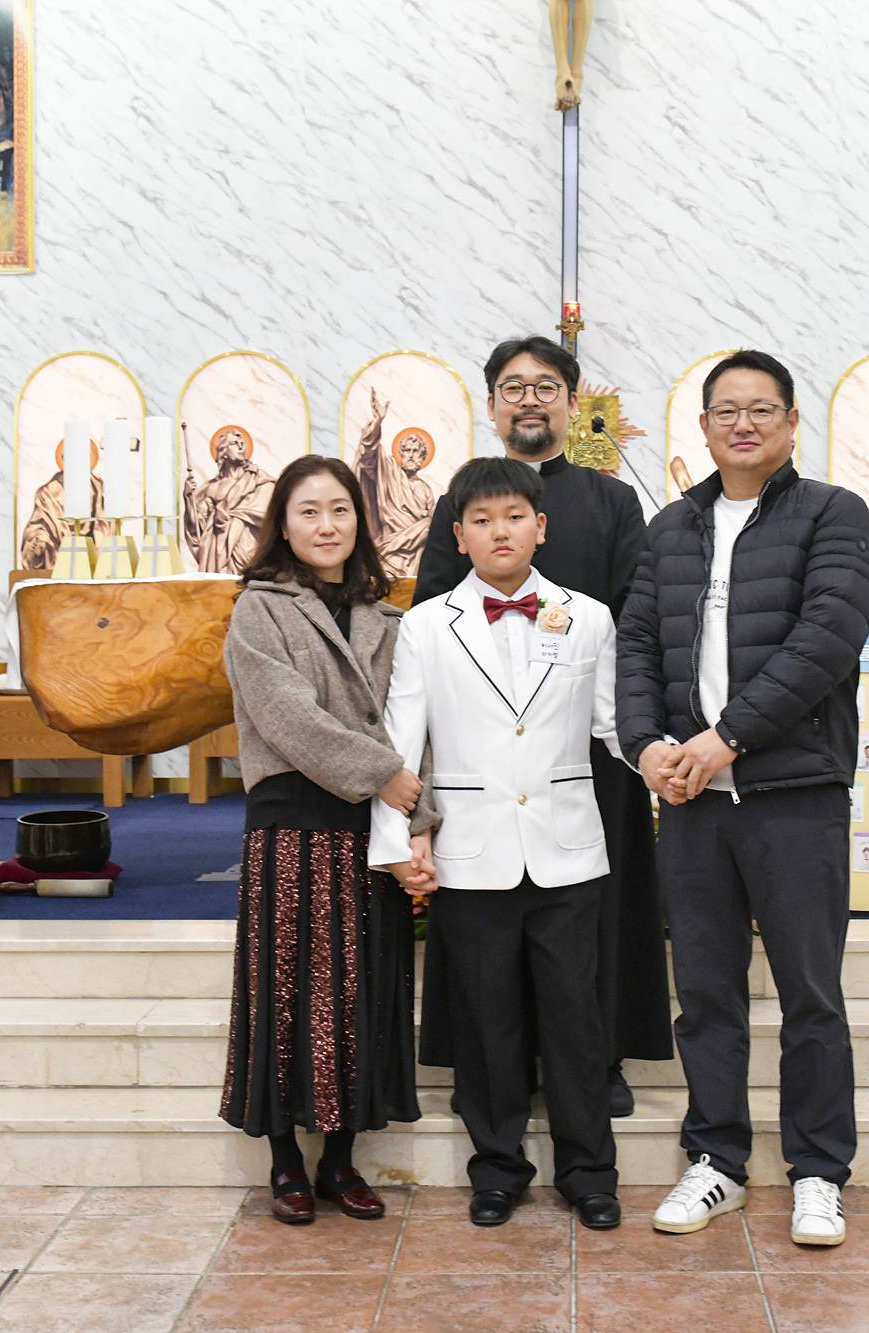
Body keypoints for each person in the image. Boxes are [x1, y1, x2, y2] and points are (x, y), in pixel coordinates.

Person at [617, 349, 869, 1248]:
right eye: (725, 410)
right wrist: (646, 745)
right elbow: (637, 644)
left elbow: (826, 639)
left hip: (793, 790)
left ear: (792, 422)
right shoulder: (671, 527)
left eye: (761, 408)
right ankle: (716, 1158)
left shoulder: (833, 514)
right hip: (692, 800)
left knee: (811, 992)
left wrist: (725, 737)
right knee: (706, 991)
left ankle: (818, 1170)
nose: (743, 424)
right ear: (703, 427)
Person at [413, 336, 670, 1117]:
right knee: (485, 911)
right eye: (514, 387)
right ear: (492, 405)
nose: (530, 399)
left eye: (546, 386)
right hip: (484, 753)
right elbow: (430, 614)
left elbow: (637, 622)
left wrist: (634, 730)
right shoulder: (461, 500)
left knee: (599, 906)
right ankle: (493, 1066)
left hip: (590, 746)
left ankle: (599, 1056)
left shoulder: (611, 502)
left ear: (572, 402)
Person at [371, 457, 623, 1232]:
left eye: (514, 516)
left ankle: (589, 1171)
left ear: (540, 526)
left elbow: (615, 724)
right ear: (459, 535)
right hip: (471, 850)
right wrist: (398, 843)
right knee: (488, 1021)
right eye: (481, 520)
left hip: (567, 848)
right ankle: (498, 1167)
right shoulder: (424, 625)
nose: (499, 531)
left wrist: (675, 767)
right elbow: (401, 741)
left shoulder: (589, 617)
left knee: (576, 1018)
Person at [220, 456, 429, 1225]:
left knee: (360, 989)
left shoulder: (389, 618)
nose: (326, 525)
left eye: (339, 509)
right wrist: (382, 772)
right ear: (283, 523)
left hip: (370, 825)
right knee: (286, 989)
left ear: (359, 521)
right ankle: (285, 1159)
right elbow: (287, 714)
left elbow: (414, 725)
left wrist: (419, 820)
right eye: (308, 511)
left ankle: (341, 1159)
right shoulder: (259, 610)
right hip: (292, 820)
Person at [354, 390, 436, 580]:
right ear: (400, 453)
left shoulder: (425, 489)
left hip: (419, 557)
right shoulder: (388, 473)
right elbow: (368, 454)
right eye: (407, 450)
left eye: (416, 451)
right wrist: (377, 422)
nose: (411, 455)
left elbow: (432, 522)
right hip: (389, 553)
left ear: (423, 457)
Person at [183, 424, 275, 575]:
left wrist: (236, 515)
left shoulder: (258, 480)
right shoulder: (210, 488)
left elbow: (269, 516)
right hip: (215, 556)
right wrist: (188, 498)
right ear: (223, 452)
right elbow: (195, 529)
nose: (240, 447)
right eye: (234, 443)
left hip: (248, 551)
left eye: (242, 443)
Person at [17, 439, 113, 577]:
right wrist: (40, 541)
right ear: (64, 459)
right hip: (59, 560)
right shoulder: (47, 494)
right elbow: (36, 527)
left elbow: (107, 527)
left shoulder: (100, 490)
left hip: (92, 562)